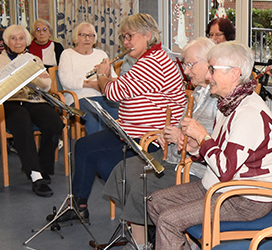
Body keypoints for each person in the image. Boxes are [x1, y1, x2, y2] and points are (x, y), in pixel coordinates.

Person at [121, 41, 272, 250]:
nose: (207, 76)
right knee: (155, 202)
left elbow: (227, 169)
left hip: (245, 197)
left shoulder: (249, 113)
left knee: (169, 220)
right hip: (218, 186)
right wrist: (196, 147)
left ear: (234, 73)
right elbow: (217, 156)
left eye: (213, 70)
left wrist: (203, 137)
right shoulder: (229, 104)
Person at [101, 37, 218, 250]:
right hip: (176, 155)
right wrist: (170, 134)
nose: (185, 71)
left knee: (142, 183)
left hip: (194, 167)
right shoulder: (199, 92)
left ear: (209, 63)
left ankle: (178, 245)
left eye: (190, 64)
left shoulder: (218, 100)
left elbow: (211, 142)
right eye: (185, 64)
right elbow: (185, 124)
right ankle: (144, 240)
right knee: (124, 170)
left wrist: (181, 139)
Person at [71, 13, 187, 222]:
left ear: (147, 35)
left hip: (150, 137)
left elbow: (113, 93)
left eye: (129, 36)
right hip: (131, 131)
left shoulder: (152, 63)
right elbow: (124, 89)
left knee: (104, 163)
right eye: (123, 37)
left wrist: (102, 74)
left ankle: (144, 215)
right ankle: (79, 207)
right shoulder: (149, 59)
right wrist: (109, 77)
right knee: (84, 147)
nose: (125, 42)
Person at [0, 25, 65, 197]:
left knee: (55, 123)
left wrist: (27, 78)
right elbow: (7, 85)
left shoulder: (34, 59)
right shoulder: (1, 59)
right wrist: (33, 77)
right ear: (7, 41)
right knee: (22, 122)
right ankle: (35, 175)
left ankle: (42, 166)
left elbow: (46, 85)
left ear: (26, 41)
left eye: (21, 38)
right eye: (13, 38)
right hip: (11, 102)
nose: (18, 42)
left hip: (33, 99)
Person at [57, 21, 119, 134]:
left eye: (91, 35)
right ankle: (98, 145)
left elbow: (114, 79)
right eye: (83, 35)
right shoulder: (67, 54)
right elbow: (66, 81)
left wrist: (108, 76)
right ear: (76, 37)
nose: (87, 39)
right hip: (78, 98)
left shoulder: (101, 54)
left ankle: (118, 145)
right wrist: (92, 85)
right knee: (95, 117)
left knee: (121, 113)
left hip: (102, 97)